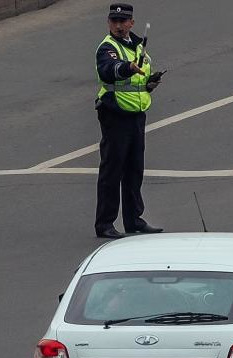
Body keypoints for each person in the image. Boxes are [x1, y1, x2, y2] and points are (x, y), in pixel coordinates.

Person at [94, 3, 164, 239]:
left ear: (131, 23)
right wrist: (127, 68)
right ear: (109, 23)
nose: (118, 25)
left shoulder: (138, 47)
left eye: (123, 21)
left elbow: (137, 83)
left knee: (134, 169)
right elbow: (109, 70)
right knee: (112, 169)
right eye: (114, 21)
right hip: (115, 113)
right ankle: (105, 223)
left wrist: (149, 85)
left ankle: (134, 219)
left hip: (136, 113)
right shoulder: (108, 48)